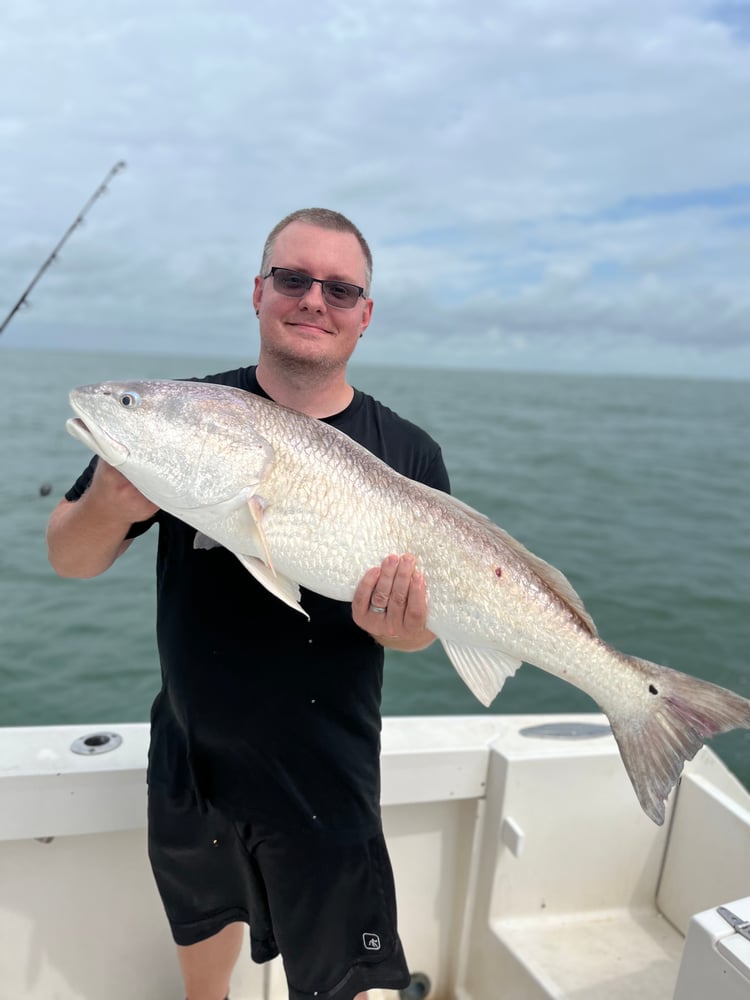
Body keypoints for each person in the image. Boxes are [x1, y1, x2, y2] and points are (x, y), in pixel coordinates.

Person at [46, 208, 451, 1000]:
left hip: (325, 771)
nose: (313, 300)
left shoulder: (409, 451)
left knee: (349, 984)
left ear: (364, 315)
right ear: (259, 292)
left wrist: (403, 631)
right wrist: (110, 501)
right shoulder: (187, 413)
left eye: (339, 289)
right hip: (192, 752)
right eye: (293, 279)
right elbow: (70, 558)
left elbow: (424, 634)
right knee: (203, 949)